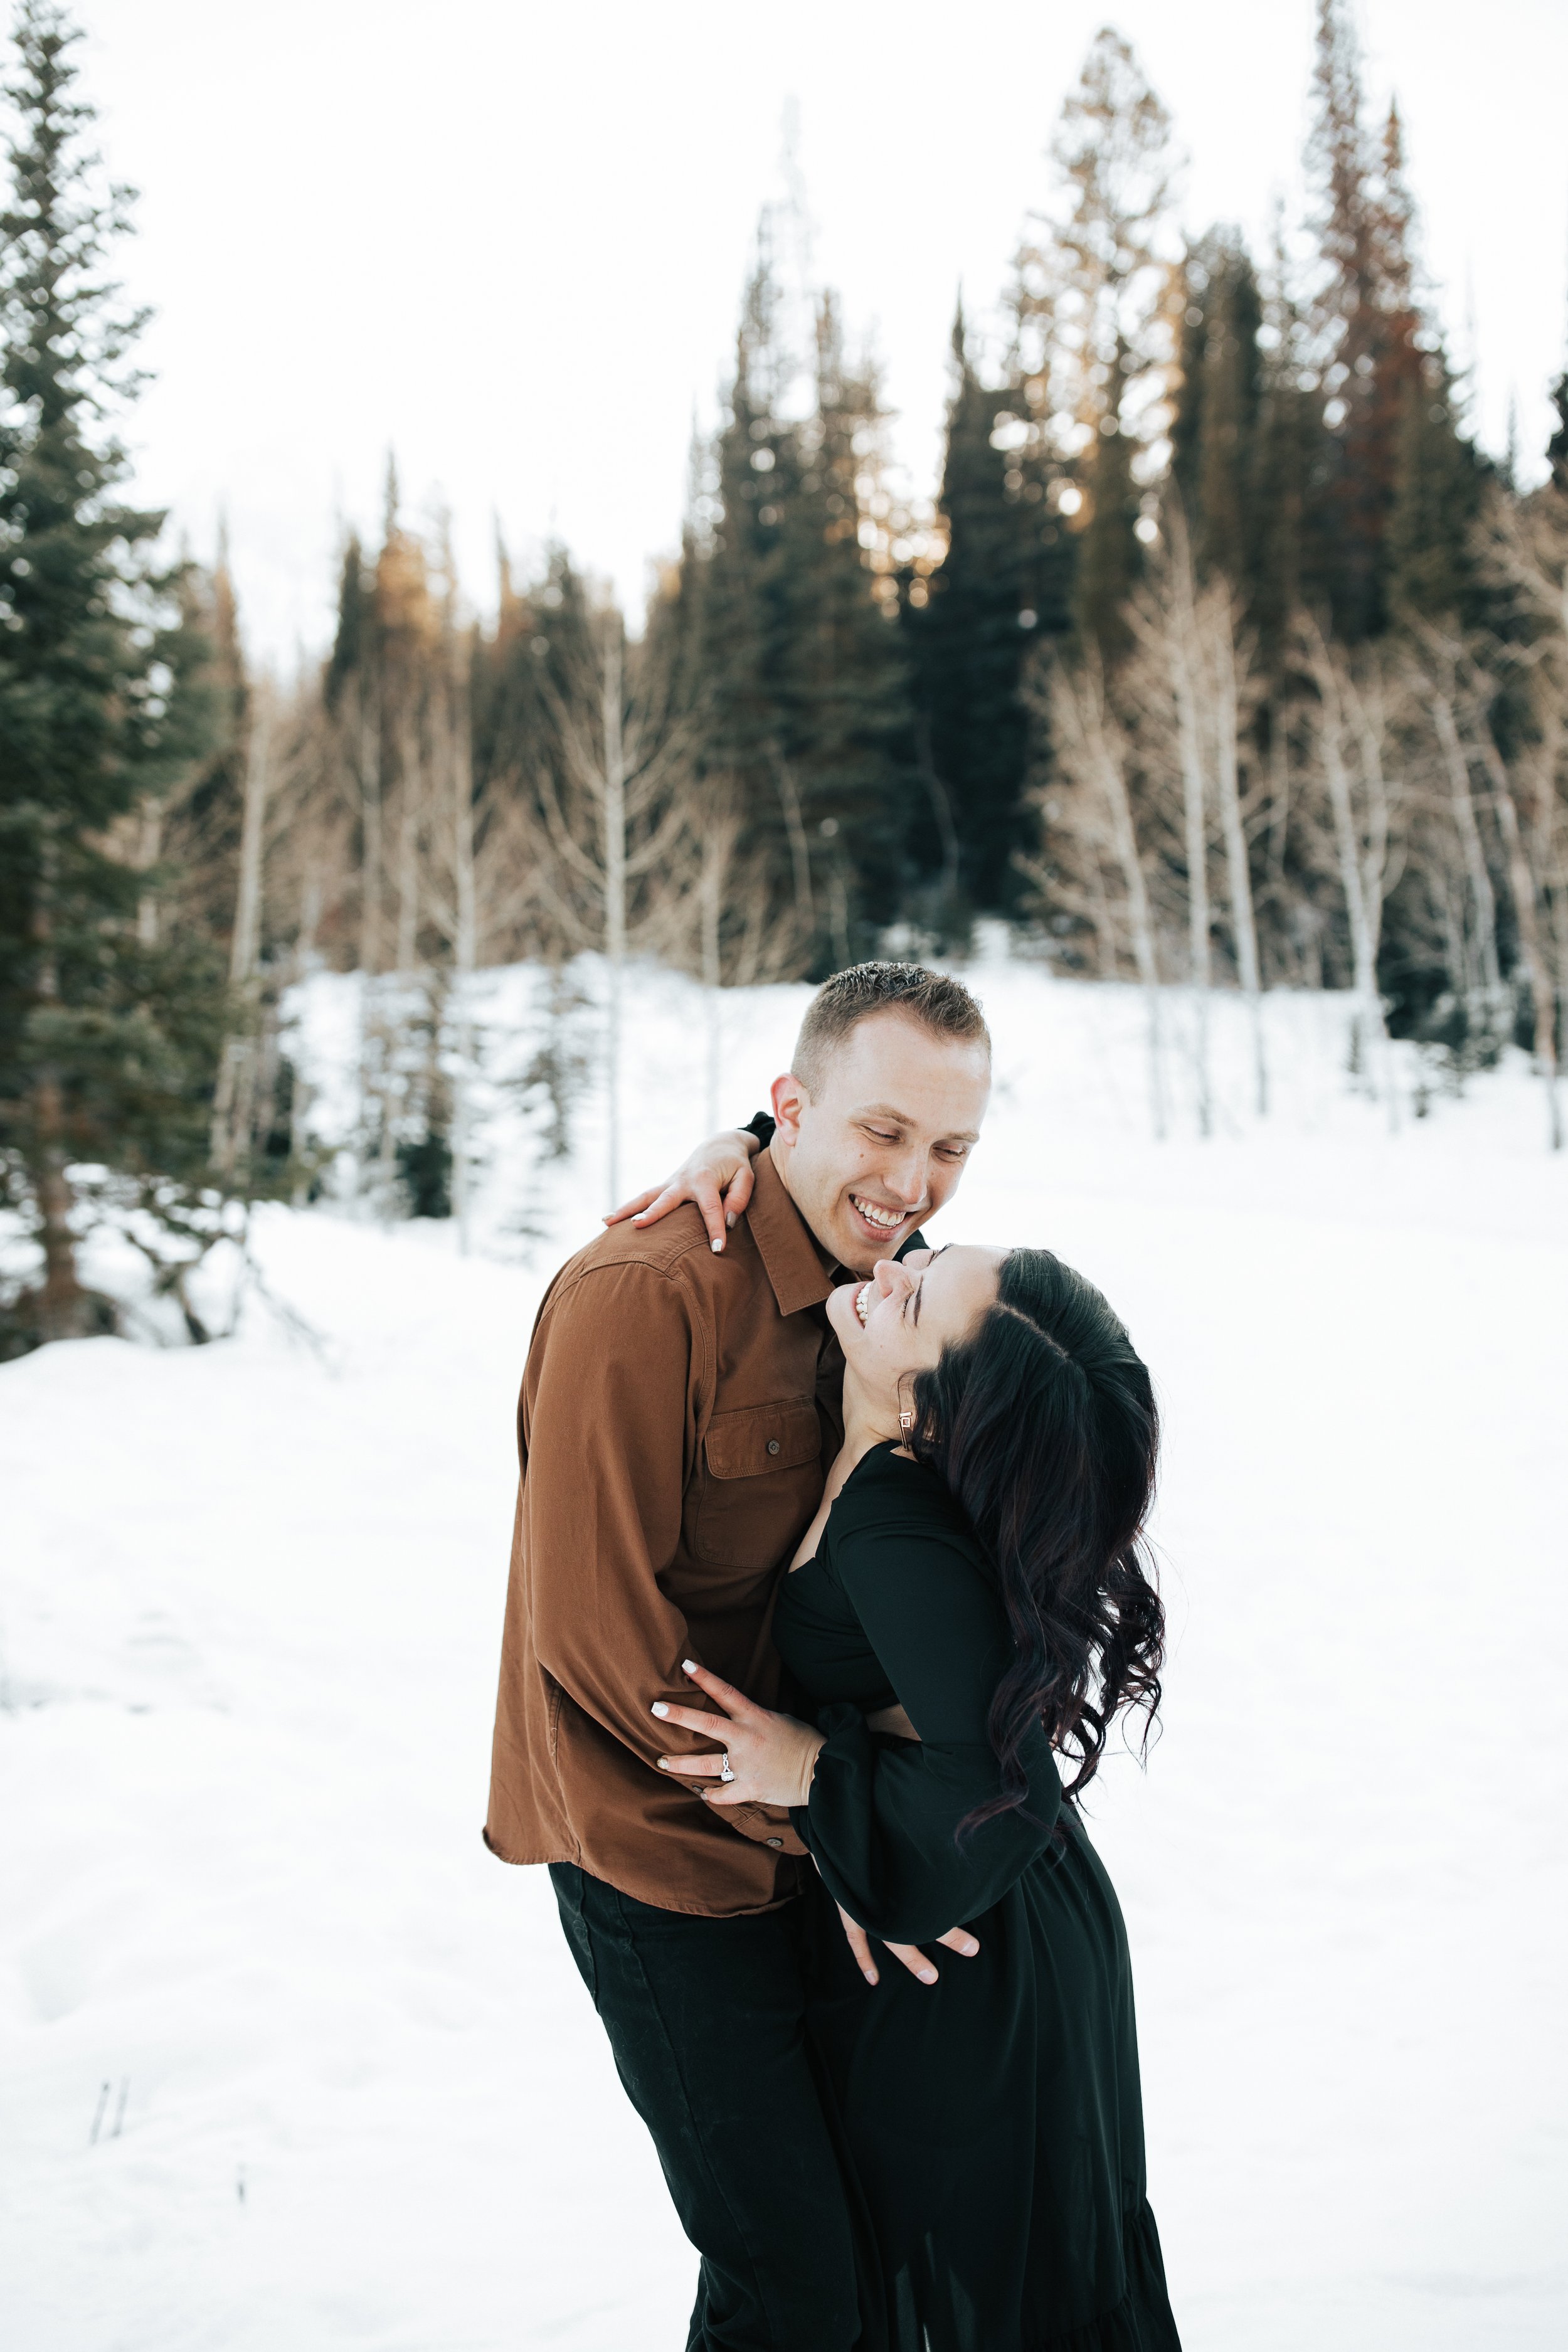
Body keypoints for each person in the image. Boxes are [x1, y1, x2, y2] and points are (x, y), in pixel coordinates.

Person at [484, 962, 995, 2351]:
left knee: (863, 2251)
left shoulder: (889, 1296)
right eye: (881, 1132)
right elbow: (594, 1642)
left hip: (813, 1844)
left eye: (949, 1147)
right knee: (792, 2280)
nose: (912, 1181)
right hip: (665, 1866)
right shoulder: (641, 1295)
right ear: (787, 1107)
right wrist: (825, 1818)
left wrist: (851, 1820)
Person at [650, 1243, 1182, 2351]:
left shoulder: (893, 1516)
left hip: (984, 1965)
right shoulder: (898, 1447)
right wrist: (739, 1143)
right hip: (1004, 1911)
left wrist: (811, 1776)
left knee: (988, 2296)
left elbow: (1004, 1786)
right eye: (931, 1258)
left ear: (932, 1416)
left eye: (919, 1294)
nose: (897, 1266)